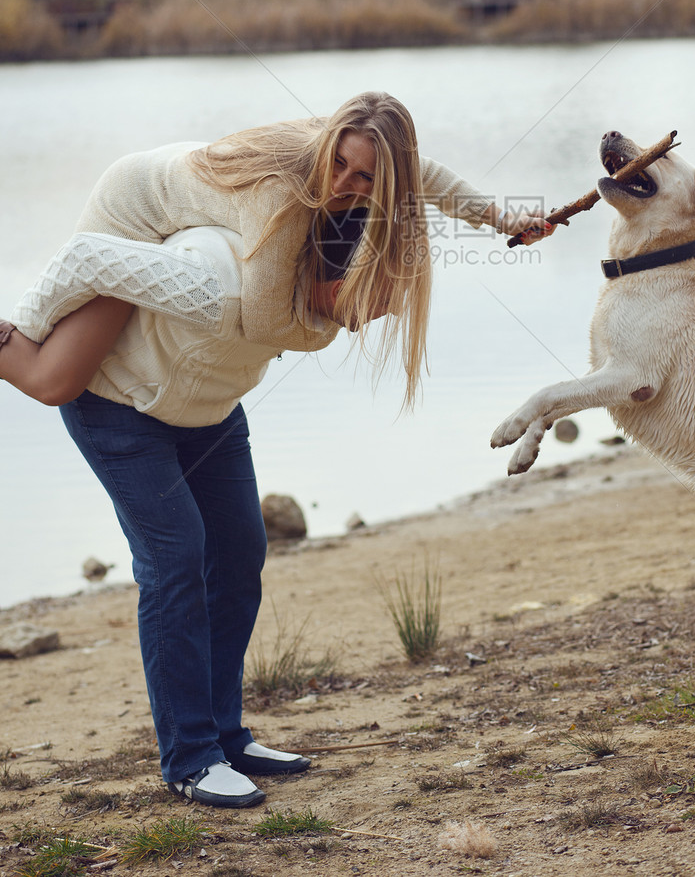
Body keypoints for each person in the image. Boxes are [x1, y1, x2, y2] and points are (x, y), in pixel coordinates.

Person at [0, 90, 551, 809]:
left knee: (237, 556)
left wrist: (504, 218)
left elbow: (427, 178)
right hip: (126, 283)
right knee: (100, 445)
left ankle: (225, 736)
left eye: (366, 181)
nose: (348, 188)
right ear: (328, 148)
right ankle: (190, 759)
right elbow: (266, 322)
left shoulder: (355, 197)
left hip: (205, 410)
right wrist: (338, 315)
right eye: (345, 170)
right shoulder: (279, 205)